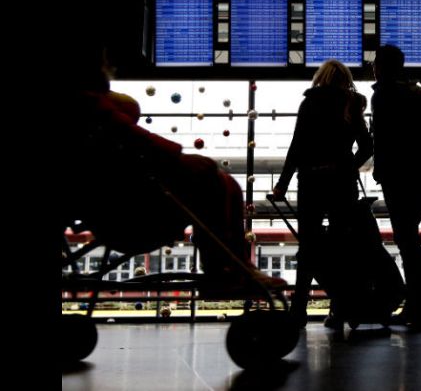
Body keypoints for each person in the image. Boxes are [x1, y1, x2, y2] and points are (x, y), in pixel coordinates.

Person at [63, 44, 287, 296]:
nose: (110, 68)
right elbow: (141, 141)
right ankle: (228, 269)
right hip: (128, 213)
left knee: (222, 183)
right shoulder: (88, 106)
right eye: (105, 63)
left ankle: (232, 269)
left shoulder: (86, 106)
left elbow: (135, 140)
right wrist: (181, 158)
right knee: (216, 182)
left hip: (118, 209)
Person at [273, 59, 373, 328]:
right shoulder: (352, 104)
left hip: (311, 181)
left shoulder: (310, 103)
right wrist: (347, 167)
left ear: (321, 78)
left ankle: (298, 309)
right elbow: (367, 146)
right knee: (343, 248)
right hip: (342, 185)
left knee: (308, 246)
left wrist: (282, 183)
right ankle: (339, 310)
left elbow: (297, 146)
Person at [370, 44, 421, 330]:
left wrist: (379, 169)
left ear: (381, 66)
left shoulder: (383, 94)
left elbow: (383, 137)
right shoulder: (418, 93)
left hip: (397, 175)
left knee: (406, 240)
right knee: (409, 239)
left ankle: (419, 306)